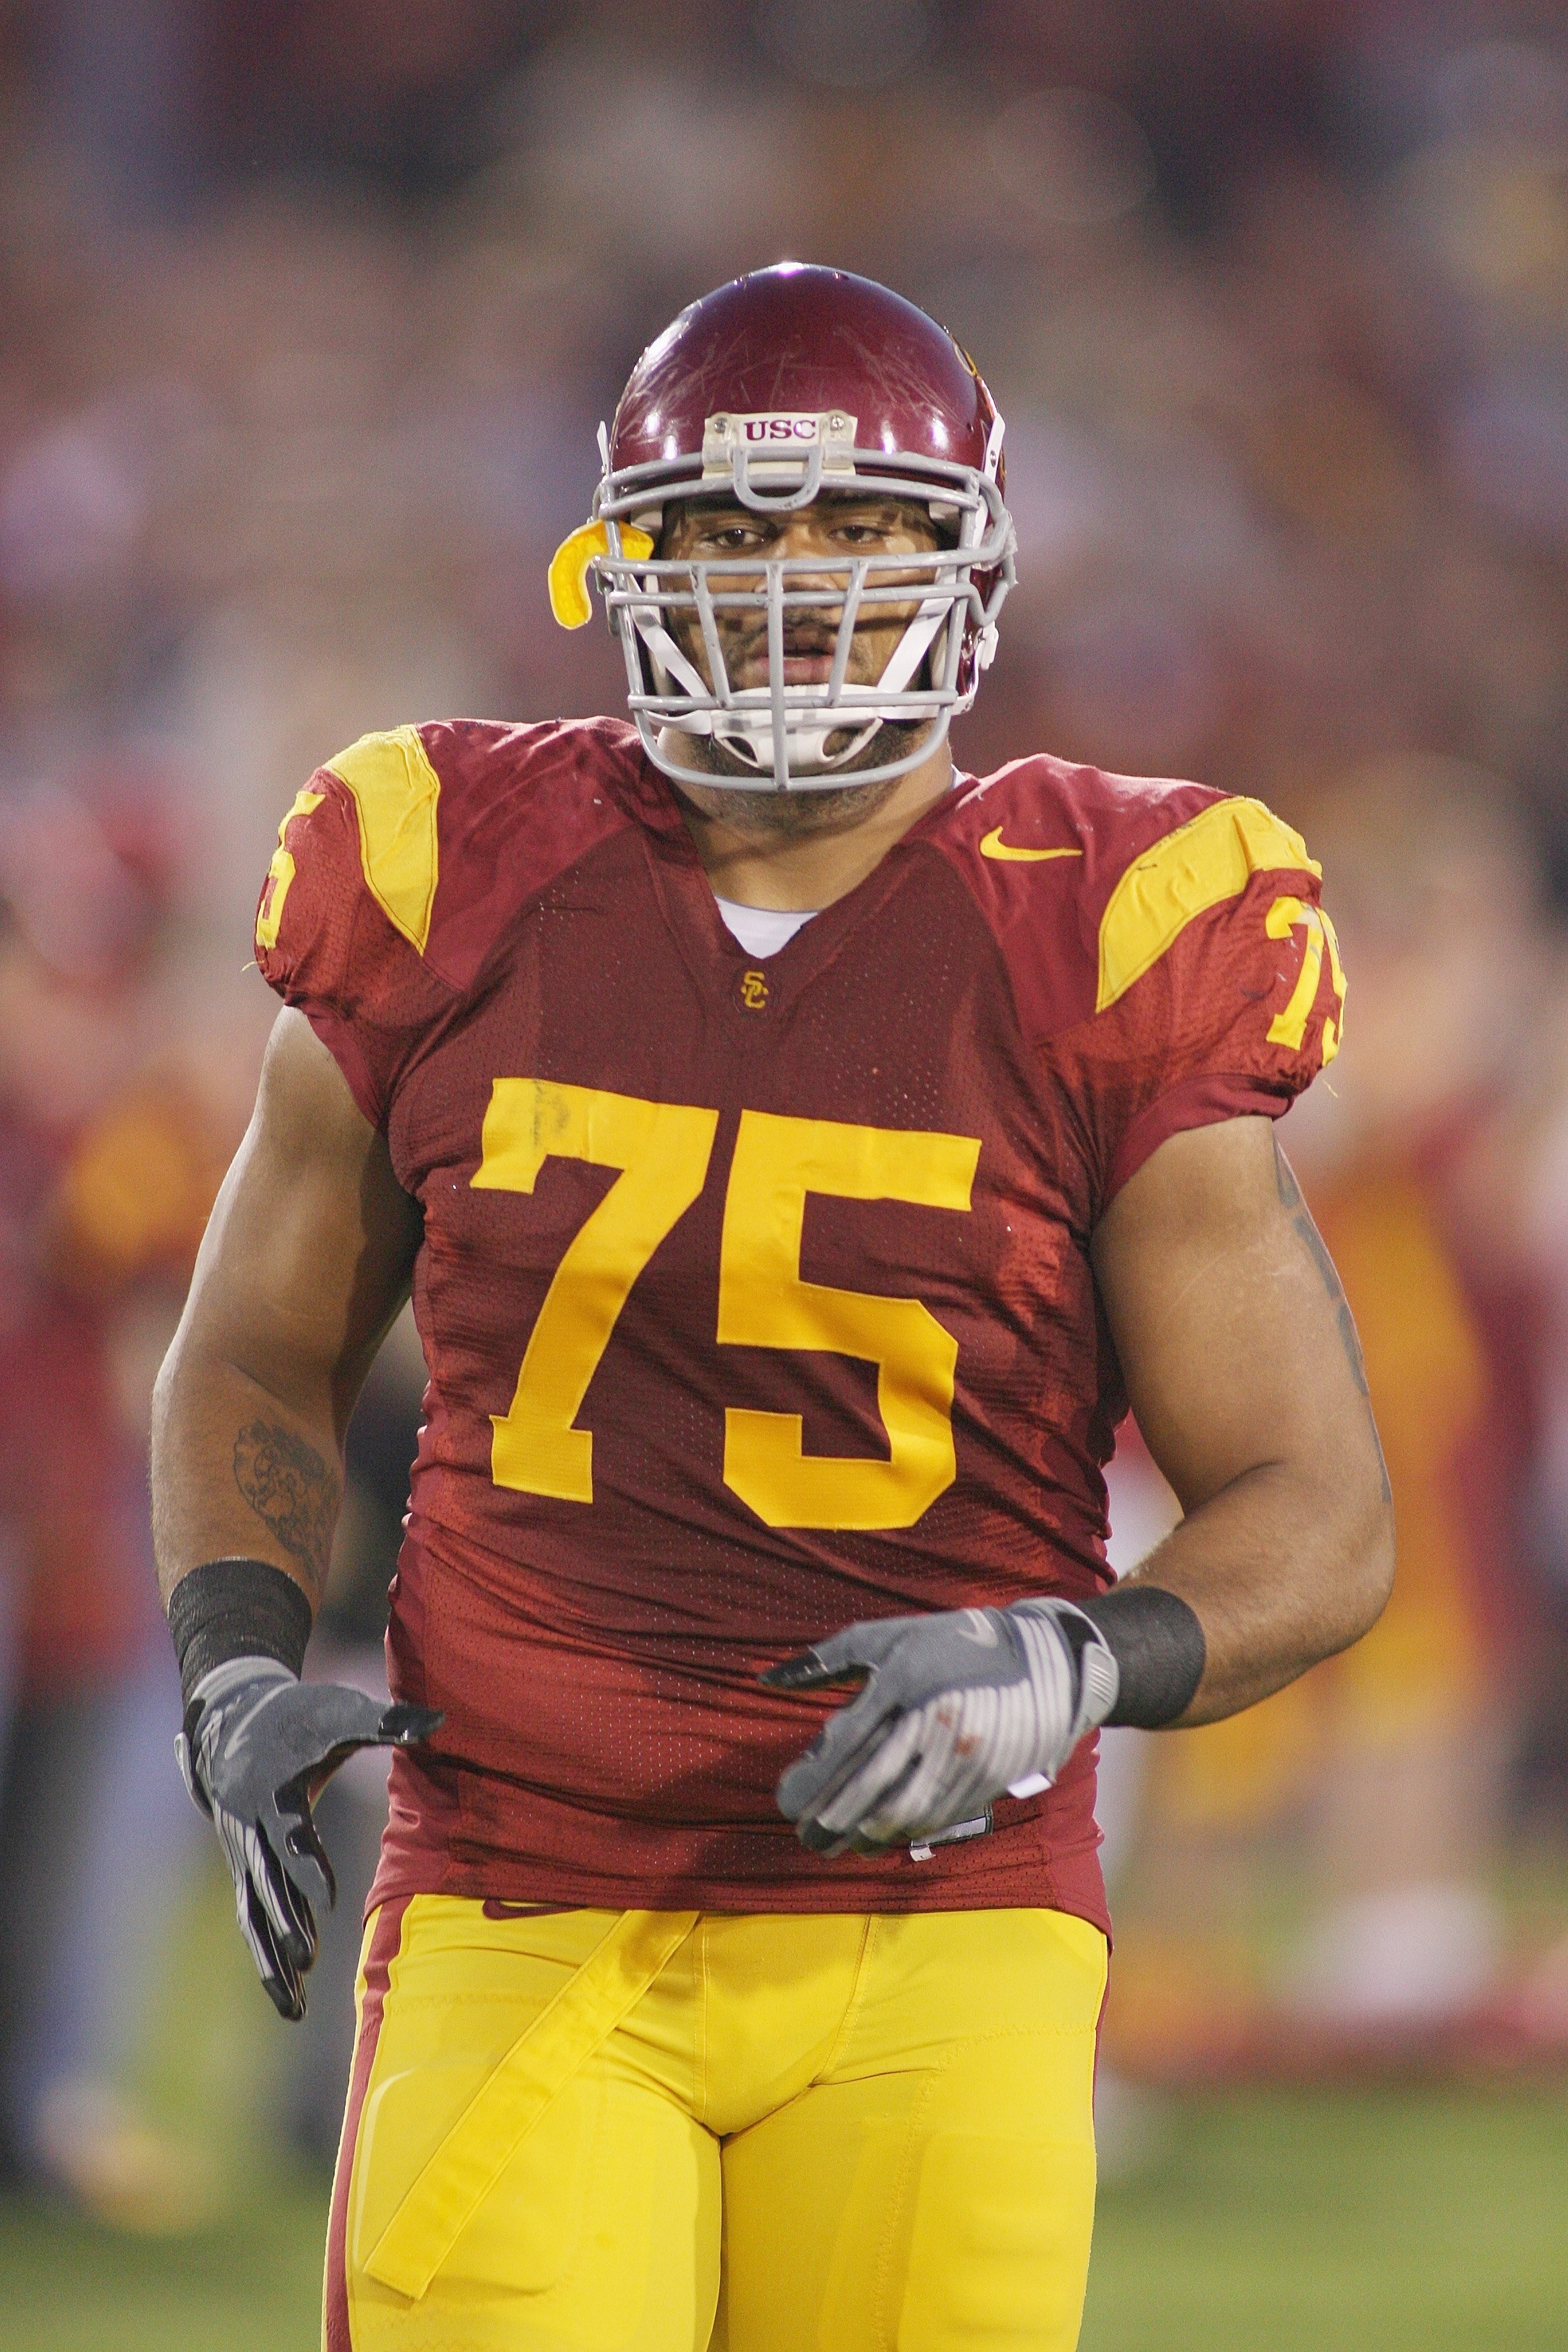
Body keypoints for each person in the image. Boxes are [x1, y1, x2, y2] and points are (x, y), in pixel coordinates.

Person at [150, 265, 1393, 2352]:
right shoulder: (446, 866)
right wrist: (229, 1660)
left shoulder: (1105, 924)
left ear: (971, 566)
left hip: (945, 1926)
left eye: (857, 529)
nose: (789, 586)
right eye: (725, 533)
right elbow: (258, 1340)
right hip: (518, 1875)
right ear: (622, 562)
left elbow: (1318, 1503)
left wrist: (1075, 1660)